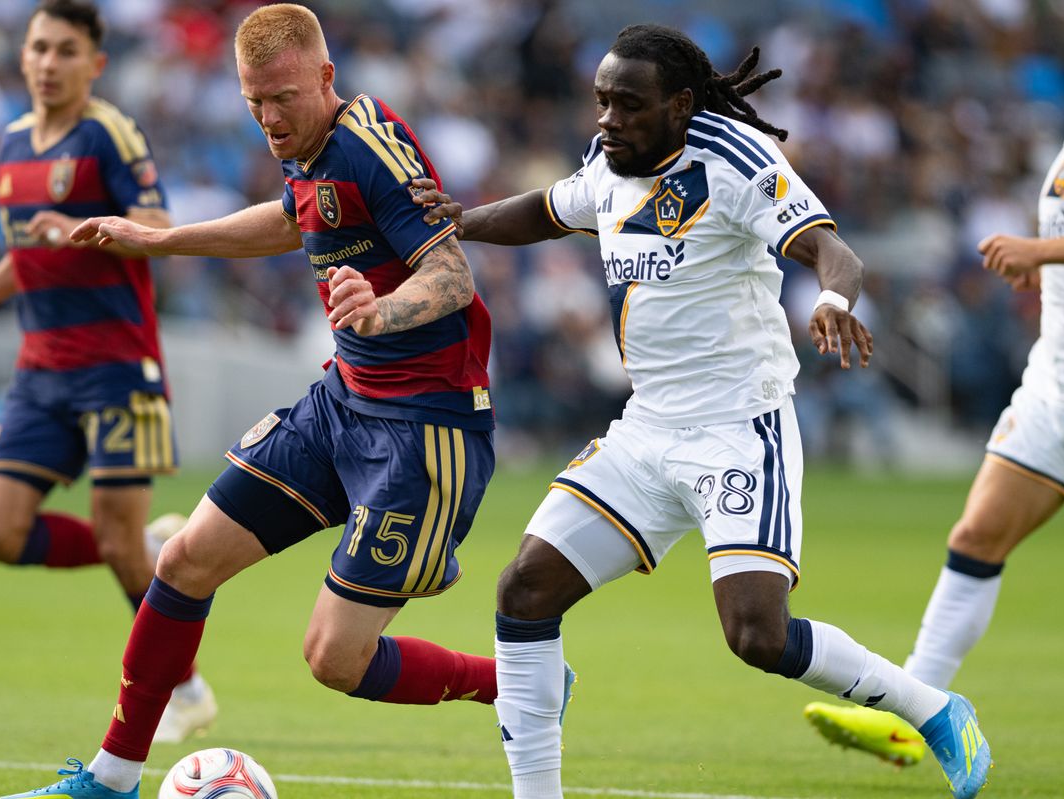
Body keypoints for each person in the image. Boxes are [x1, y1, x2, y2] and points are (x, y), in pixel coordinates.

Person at [412, 23, 991, 799]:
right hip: (646, 427)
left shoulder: (736, 162)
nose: (607, 119)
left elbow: (831, 249)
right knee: (524, 588)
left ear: (681, 105)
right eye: (601, 102)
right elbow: (552, 210)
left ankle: (935, 709)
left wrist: (829, 298)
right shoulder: (608, 162)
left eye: (628, 104)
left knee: (757, 635)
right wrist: (465, 219)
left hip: (736, 429)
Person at [1, 5, 503, 798]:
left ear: (326, 79)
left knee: (334, 660)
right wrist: (161, 239)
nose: (269, 118)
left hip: (423, 429)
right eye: (253, 103)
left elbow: (452, 277)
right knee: (184, 559)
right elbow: (289, 221)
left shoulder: (372, 142)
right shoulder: (307, 149)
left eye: (284, 98)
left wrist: (381, 308)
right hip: (343, 404)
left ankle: (516, 679)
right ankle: (110, 778)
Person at [0, 0, 215, 745]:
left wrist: (84, 236)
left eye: (66, 51)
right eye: (39, 48)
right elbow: (27, 252)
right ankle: (149, 550)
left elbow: (160, 230)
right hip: (41, 370)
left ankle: (186, 687)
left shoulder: (109, 133)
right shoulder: (13, 144)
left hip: (115, 365)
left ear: (95, 63)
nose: (49, 63)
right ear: (22, 55)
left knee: (116, 546)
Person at [802, 145, 1064, 766]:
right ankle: (913, 717)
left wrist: (1042, 252)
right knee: (976, 536)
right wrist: (1044, 269)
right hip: (1056, 384)